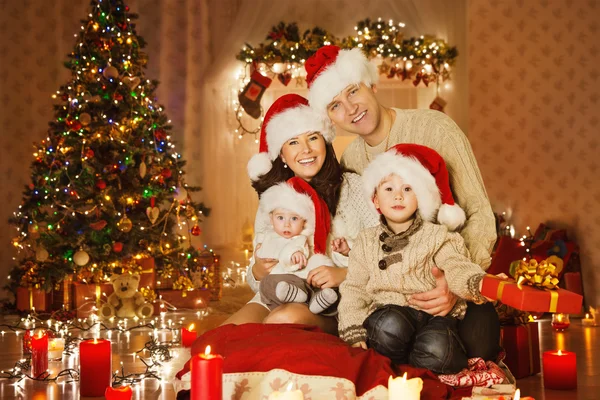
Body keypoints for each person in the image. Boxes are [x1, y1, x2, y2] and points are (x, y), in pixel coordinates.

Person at [305, 45, 500, 360]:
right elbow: (360, 238)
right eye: (335, 105)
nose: (351, 108)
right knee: (383, 337)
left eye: (353, 91)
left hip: (450, 277)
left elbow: (479, 215)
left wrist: (452, 285)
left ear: (372, 84)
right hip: (391, 295)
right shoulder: (352, 158)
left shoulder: (434, 127)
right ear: (329, 117)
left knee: (474, 346)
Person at [222, 93, 379, 333]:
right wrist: (257, 270)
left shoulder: (353, 187)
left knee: (282, 321)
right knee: (225, 335)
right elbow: (258, 279)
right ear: (282, 155)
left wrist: (345, 273)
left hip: (334, 301)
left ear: (325, 141)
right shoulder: (275, 198)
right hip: (279, 294)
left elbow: (385, 254)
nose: (305, 150)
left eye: (312, 137)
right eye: (293, 142)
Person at [338, 144, 490, 374]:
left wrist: (475, 282)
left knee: (438, 349)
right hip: (391, 314)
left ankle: (423, 359)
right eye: (388, 189)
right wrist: (353, 328)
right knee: (388, 326)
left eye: (408, 189)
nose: (398, 195)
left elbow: (457, 265)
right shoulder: (366, 241)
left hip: (435, 317)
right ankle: (399, 359)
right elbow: (354, 288)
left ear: (420, 197)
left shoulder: (438, 236)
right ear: (376, 201)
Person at [255, 177, 339, 314]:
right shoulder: (267, 236)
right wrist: (257, 263)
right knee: (267, 284)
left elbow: (298, 249)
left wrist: (295, 255)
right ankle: (294, 295)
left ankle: (318, 300)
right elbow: (261, 255)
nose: (286, 224)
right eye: (280, 218)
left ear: (303, 222)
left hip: (299, 280)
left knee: (318, 285)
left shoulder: (300, 238)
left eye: (294, 218)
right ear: (271, 219)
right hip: (279, 284)